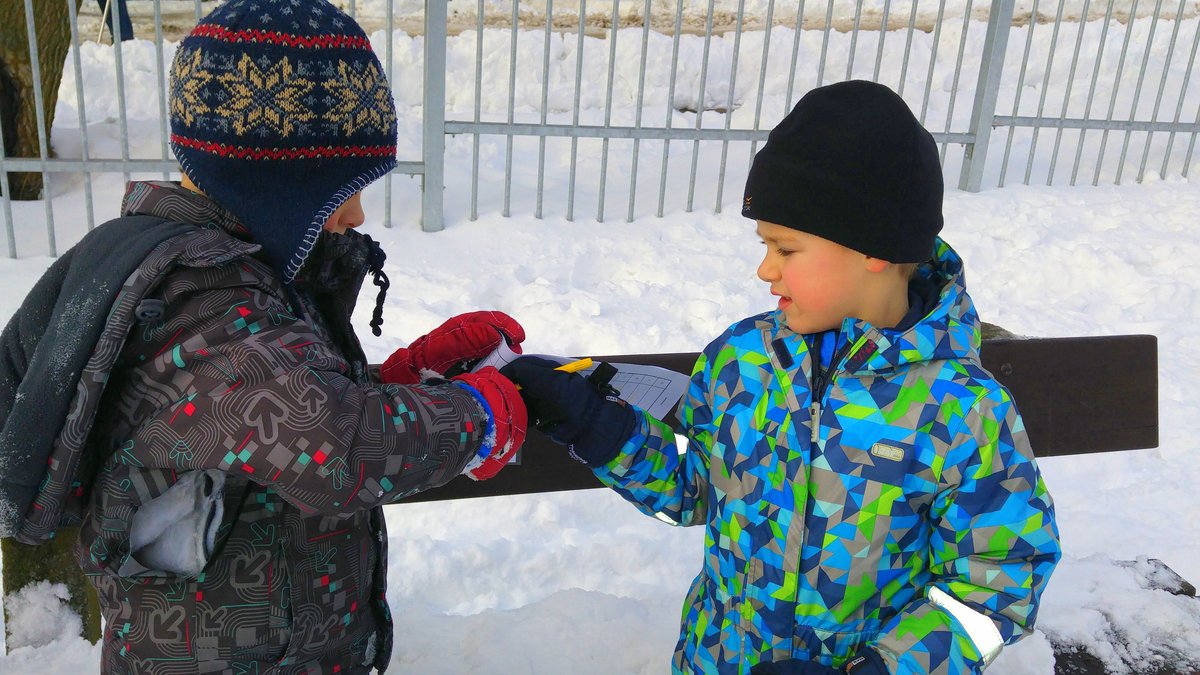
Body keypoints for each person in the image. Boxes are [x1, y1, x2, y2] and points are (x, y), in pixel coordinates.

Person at [0, 1, 527, 672]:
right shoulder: (201, 303)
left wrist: (398, 380)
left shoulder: (235, 276)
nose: (357, 214)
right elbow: (334, 445)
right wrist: (478, 416)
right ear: (274, 181)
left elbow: (270, 409)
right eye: (340, 189)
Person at [501, 80, 1062, 675]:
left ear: (873, 247)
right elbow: (697, 489)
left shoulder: (960, 409)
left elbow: (996, 583)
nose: (765, 269)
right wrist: (601, 429)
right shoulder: (743, 360)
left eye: (785, 248)